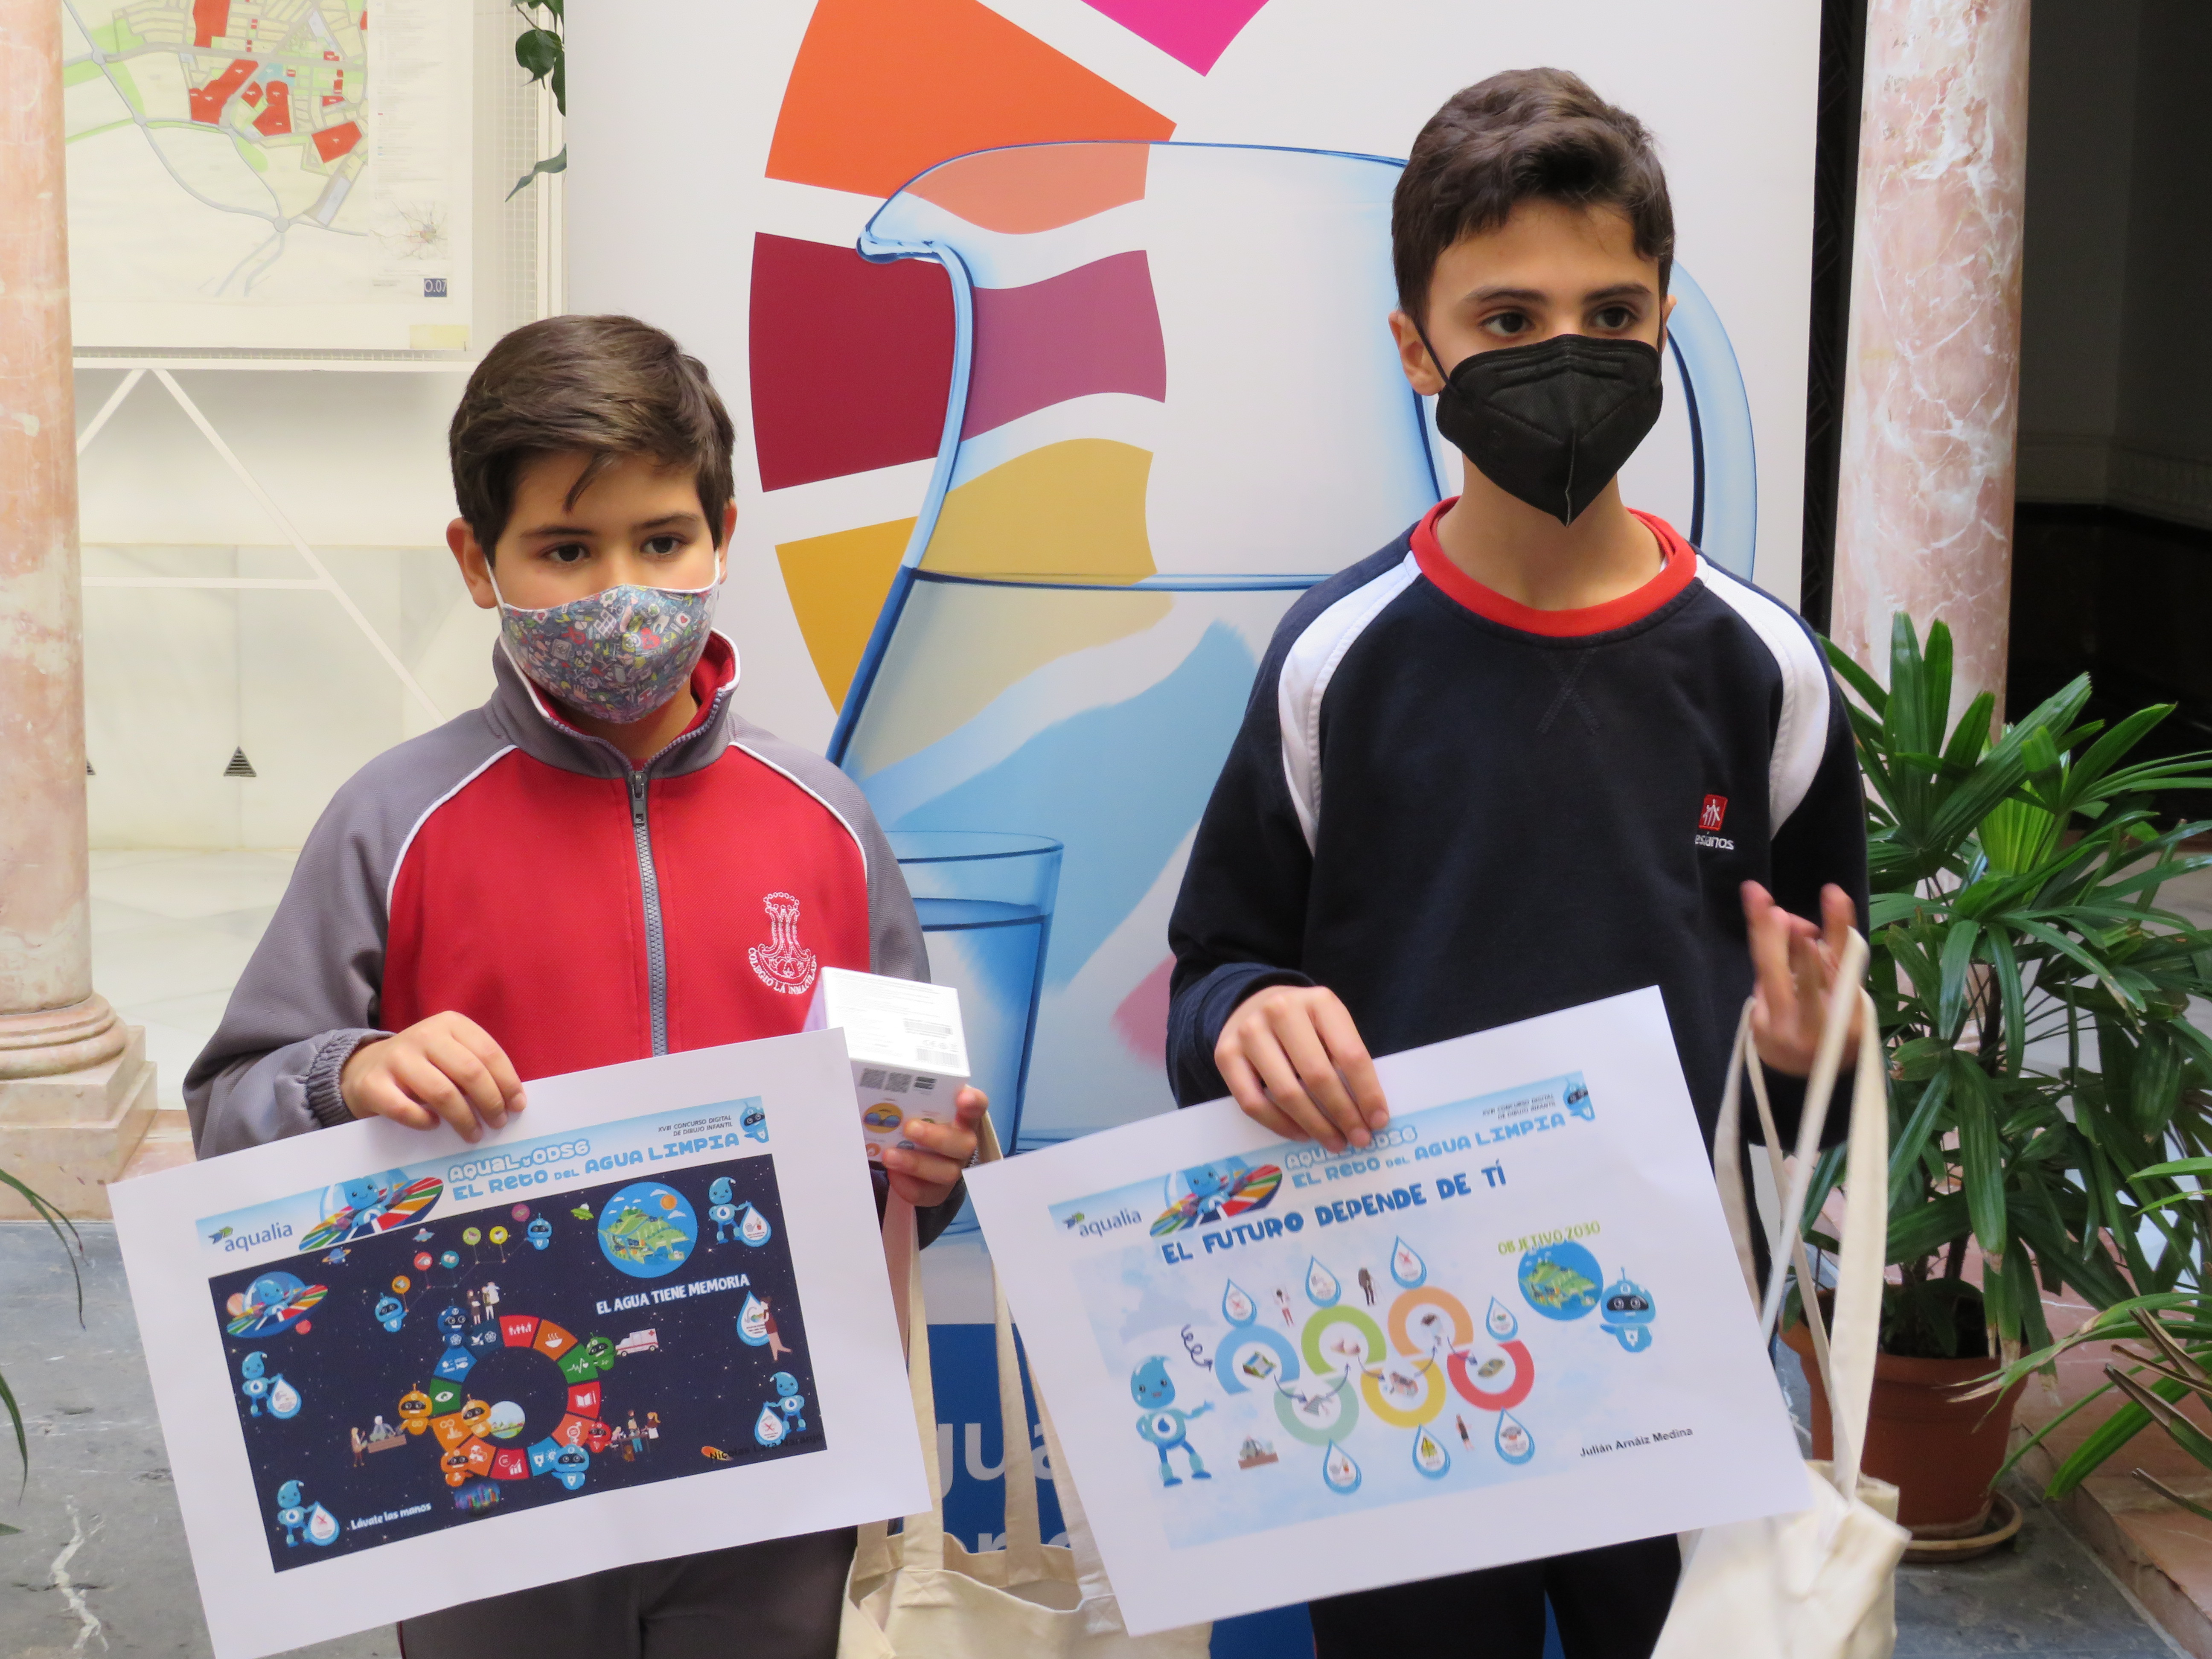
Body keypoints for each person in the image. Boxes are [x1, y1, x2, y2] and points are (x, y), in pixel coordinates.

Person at [1165, 70, 1868, 1659]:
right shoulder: (1338, 660)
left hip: (1674, 1364)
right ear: (1416, 349)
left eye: (1612, 314)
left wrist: (1807, 1058)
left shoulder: (1765, 668)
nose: (1567, 354)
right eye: (1506, 319)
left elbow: (1826, 1044)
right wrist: (1248, 1018)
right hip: (1402, 1356)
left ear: (1666, 317)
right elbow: (1214, 980)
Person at [185, 313, 988, 1659]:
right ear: (476, 561)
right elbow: (229, 1111)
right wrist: (349, 1073)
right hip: (487, 1467)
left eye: (663, 541)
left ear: (722, 534)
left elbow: (912, 1138)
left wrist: (935, 1166)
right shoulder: (396, 821)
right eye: (566, 550)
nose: (624, 590)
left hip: (769, 1467)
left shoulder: (826, 822)